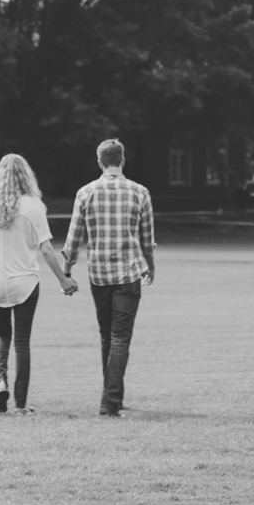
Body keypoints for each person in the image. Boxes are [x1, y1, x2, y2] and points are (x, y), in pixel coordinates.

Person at [60, 137, 155, 417]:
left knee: (107, 336)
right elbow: (147, 240)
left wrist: (67, 271)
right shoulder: (140, 191)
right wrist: (151, 266)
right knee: (120, 337)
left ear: (100, 162)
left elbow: (73, 237)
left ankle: (112, 396)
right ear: (123, 160)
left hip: (99, 274)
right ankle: (110, 401)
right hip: (128, 273)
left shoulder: (85, 192)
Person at [0, 153, 76, 414]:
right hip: (24, 280)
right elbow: (45, 249)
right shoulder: (33, 205)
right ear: (26, 175)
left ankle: (1, 382)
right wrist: (63, 279)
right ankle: (20, 404)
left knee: (2, 334)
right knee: (22, 341)